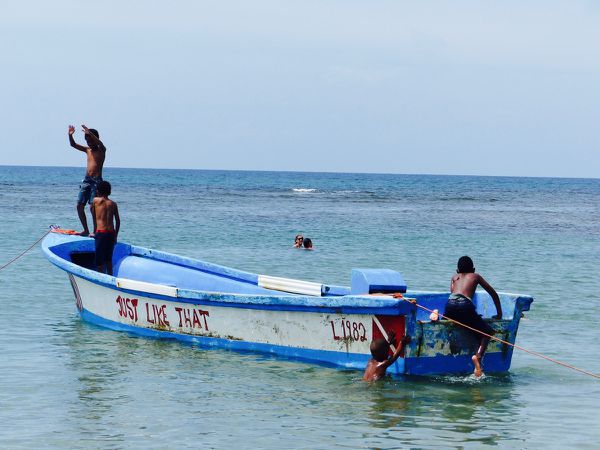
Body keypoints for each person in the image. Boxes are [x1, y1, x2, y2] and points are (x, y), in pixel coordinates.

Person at [445, 256, 502, 377]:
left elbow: (453, 294)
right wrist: (499, 314)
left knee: (469, 324)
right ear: (474, 269)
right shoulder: (475, 276)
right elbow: (493, 293)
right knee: (487, 332)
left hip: (449, 306)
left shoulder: (454, 277)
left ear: (457, 270)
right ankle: (478, 358)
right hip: (465, 306)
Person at [69, 124, 107, 236]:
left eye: (90, 140)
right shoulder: (87, 150)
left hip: (97, 181)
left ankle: (95, 230)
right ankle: (85, 230)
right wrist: (70, 135)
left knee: (93, 207)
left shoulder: (101, 150)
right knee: (79, 205)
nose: (88, 143)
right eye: (87, 140)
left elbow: (100, 144)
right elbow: (73, 144)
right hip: (86, 181)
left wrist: (90, 133)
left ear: (96, 139)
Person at [91, 180, 120, 275]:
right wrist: (115, 236)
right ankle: (111, 277)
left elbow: (94, 217)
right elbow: (118, 221)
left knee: (99, 261)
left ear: (98, 191)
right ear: (110, 192)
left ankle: (101, 277)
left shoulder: (95, 201)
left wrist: (94, 232)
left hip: (101, 233)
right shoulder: (113, 204)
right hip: (111, 233)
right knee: (108, 259)